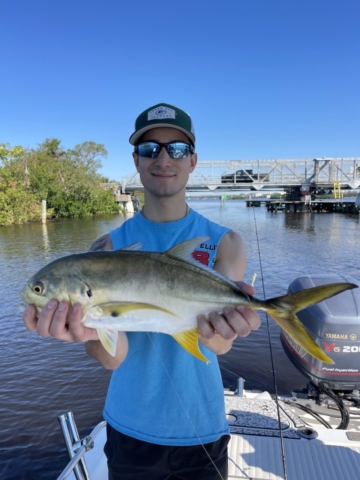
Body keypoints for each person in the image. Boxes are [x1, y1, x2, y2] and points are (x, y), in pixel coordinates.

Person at [22, 103, 261, 480]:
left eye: (177, 149)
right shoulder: (105, 248)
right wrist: (87, 330)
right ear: (136, 159)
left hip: (202, 426)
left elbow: (219, 345)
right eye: (150, 148)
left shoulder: (227, 242)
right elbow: (112, 359)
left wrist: (230, 327)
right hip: (129, 427)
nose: (163, 158)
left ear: (193, 160)